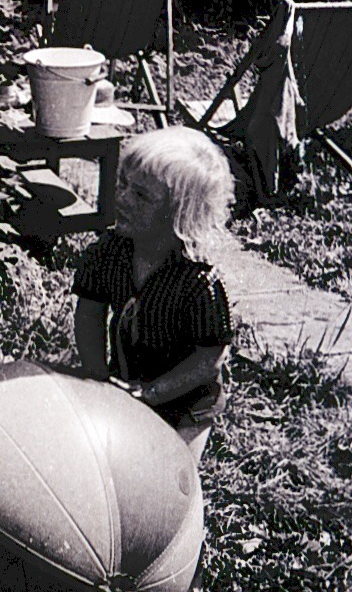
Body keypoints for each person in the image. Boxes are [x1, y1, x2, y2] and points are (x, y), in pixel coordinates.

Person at [72, 127, 235, 464]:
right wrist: (96, 378)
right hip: (127, 380)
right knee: (105, 463)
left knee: (170, 477)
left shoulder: (198, 282)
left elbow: (209, 357)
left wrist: (152, 393)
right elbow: (89, 312)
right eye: (123, 184)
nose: (123, 198)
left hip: (186, 404)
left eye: (142, 196)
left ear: (180, 214)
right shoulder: (109, 252)